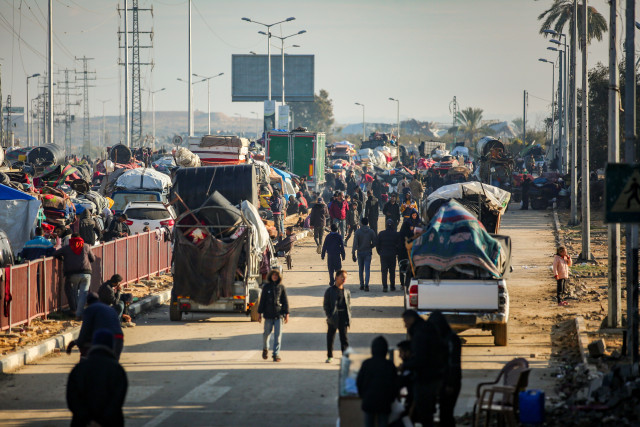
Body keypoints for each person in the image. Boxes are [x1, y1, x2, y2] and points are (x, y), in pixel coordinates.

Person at [67, 329, 128, 427]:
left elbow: (72, 398)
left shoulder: (79, 368)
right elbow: (118, 399)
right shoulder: (117, 370)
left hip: (82, 422)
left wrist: (87, 419)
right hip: (111, 421)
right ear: (111, 346)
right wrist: (102, 419)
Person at [400, 310, 448, 427]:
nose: (405, 325)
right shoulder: (425, 329)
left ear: (411, 319)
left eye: (405, 322)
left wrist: (405, 365)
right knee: (426, 412)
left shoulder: (420, 333)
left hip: (426, 378)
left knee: (424, 413)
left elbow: (420, 358)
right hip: (434, 375)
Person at [356, 336, 399, 427]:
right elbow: (395, 385)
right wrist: (391, 399)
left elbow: (359, 382)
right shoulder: (390, 365)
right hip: (384, 402)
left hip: (369, 401)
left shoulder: (367, 363)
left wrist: (363, 396)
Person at [67, 293, 125, 359]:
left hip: (104, 340)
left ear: (88, 302)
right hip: (119, 338)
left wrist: (76, 343)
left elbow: (84, 331)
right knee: (112, 365)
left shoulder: (90, 310)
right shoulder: (110, 309)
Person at [429, 311, 462, 427]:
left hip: (451, 382)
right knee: (444, 413)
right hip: (443, 381)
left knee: (446, 414)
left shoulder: (451, 339)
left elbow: (454, 364)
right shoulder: (442, 338)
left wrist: (450, 384)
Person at [53, 233, 96, 319]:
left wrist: (63, 259)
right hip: (86, 273)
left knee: (73, 293)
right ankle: (80, 313)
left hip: (72, 274)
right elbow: (93, 259)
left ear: (71, 239)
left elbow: (55, 254)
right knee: (83, 293)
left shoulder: (66, 248)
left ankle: (76, 311)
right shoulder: (86, 246)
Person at [258, 269, 289, 362]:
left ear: (279, 277)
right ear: (270, 276)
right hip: (268, 315)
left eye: (276, 275)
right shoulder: (266, 287)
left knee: (278, 336)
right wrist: (259, 313)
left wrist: (287, 314)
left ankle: (276, 354)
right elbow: (262, 301)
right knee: (266, 334)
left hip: (278, 315)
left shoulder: (281, 287)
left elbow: (285, 301)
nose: (274, 277)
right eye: (273, 275)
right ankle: (265, 348)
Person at [323, 270, 351, 363]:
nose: (344, 279)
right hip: (333, 317)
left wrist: (348, 317)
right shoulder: (330, 291)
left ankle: (345, 356)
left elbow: (348, 305)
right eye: (342, 277)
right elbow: (326, 305)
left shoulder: (346, 292)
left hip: (343, 316)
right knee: (330, 337)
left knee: (344, 338)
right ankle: (330, 356)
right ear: (336, 277)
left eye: (345, 277)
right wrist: (329, 315)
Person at [352, 217, 377, 291]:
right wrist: (370, 246)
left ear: (361, 223)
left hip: (360, 252)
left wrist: (353, 253)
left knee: (361, 269)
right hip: (368, 252)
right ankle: (366, 284)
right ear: (368, 223)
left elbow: (355, 244)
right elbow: (375, 242)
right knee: (367, 269)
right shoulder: (371, 231)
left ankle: (361, 284)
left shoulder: (357, 232)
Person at [377, 219, 402, 292]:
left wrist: (380, 252)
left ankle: (385, 287)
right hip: (392, 255)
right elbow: (399, 245)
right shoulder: (396, 234)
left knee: (384, 271)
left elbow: (377, 245)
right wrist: (396, 252)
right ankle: (392, 286)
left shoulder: (381, 234)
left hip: (383, 255)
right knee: (392, 271)